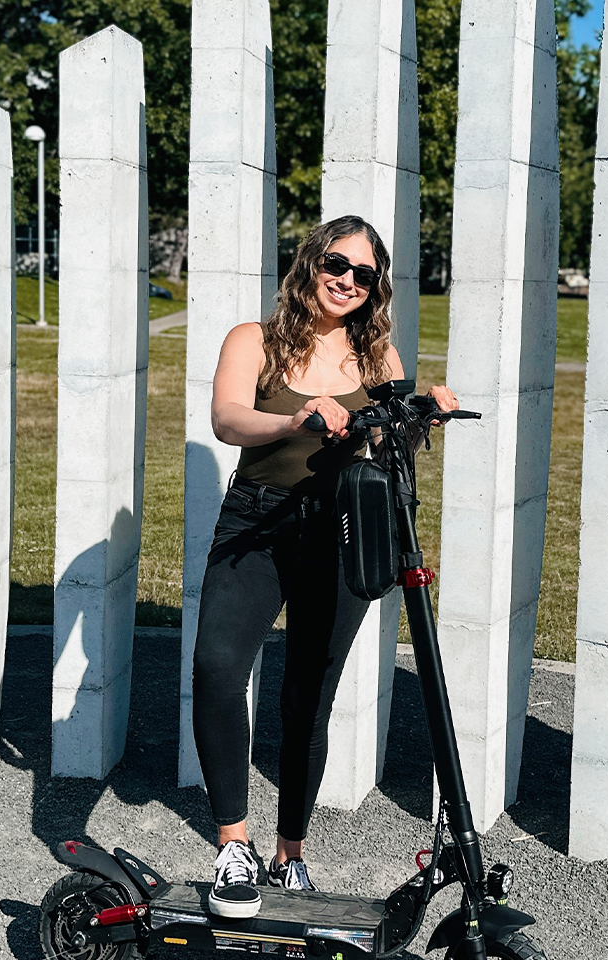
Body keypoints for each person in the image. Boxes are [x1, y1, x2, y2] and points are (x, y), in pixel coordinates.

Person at [192, 215, 458, 918]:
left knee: (309, 695)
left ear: (376, 287)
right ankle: (233, 846)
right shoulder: (254, 340)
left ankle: (290, 854)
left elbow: (391, 447)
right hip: (257, 523)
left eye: (364, 274)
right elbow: (227, 419)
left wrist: (423, 416)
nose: (347, 281)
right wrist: (293, 420)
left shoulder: (378, 358)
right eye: (336, 264)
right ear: (310, 262)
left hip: (340, 531)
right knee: (218, 669)